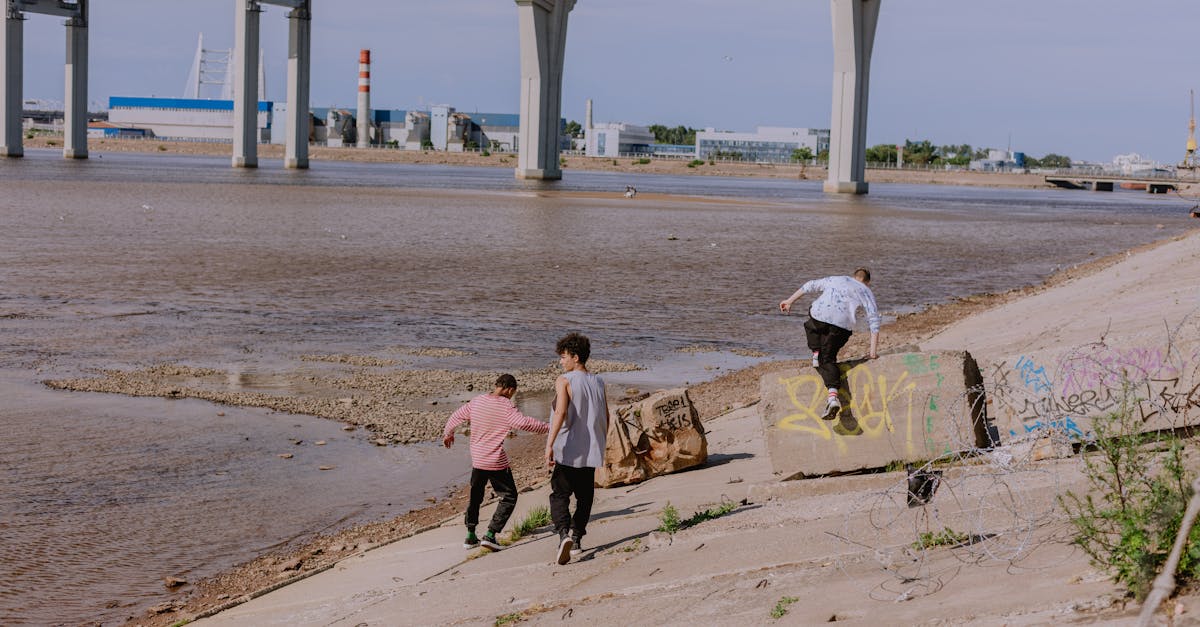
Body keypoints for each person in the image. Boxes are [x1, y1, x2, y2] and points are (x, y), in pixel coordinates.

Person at [443, 373, 549, 551]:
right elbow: (524, 423)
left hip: (478, 460)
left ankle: (470, 536)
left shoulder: (477, 401)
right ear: (509, 389)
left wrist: (448, 433)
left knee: (475, 497)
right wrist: (549, 427)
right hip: (495, 461)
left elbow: (456, 416)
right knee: (509, 496)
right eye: (513, 393)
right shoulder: (506, 405)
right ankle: (491, 535)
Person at [779, 267, 882, 419]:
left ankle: (816, 354)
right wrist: (872, 352)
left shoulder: (837, 279)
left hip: (818, 317)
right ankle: (832, 396)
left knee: (810, 326)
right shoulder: (866, 291)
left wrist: (789, 301)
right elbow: (874, 319)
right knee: (828, 359)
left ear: (853, 276)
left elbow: (809, 285)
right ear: (868, 282)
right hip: (841, 328)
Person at [545, 332, 611, 565]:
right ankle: (577, 537)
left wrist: (550, 444)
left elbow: (561, 413)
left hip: (568, 447)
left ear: (575, 357)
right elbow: (606, 416)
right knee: (585, 497)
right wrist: (602, 442)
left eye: (563, 357)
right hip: (592, 448)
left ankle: (563, 534)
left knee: (560, 494)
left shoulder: (565, 380)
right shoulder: (598, 381)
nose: (561, 362)